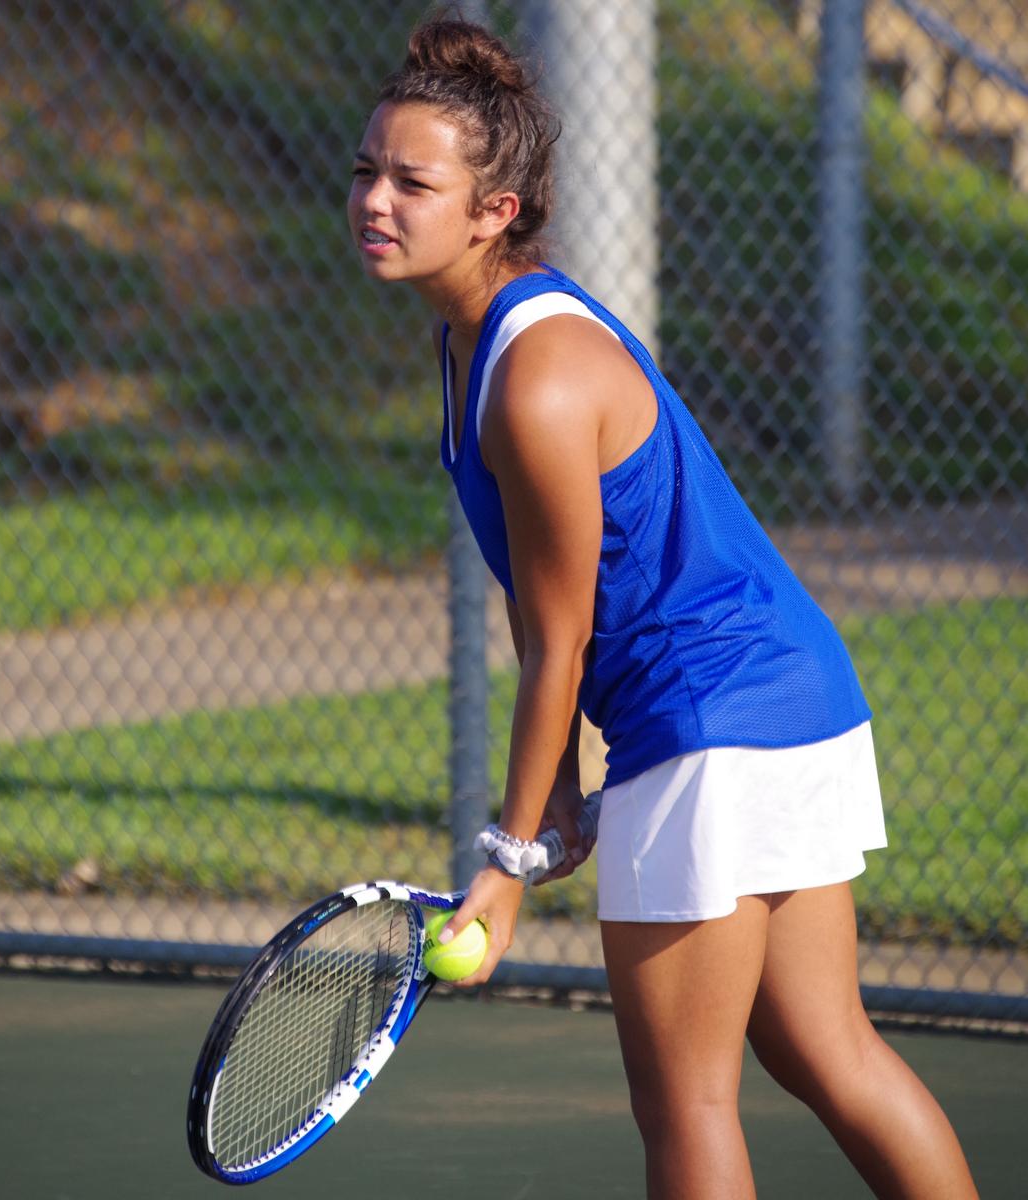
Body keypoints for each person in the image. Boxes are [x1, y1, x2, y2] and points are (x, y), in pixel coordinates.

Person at [347, 14, 978, 1199]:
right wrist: (562, 791)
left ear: (492, 211)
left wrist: (506, 861)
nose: (375, 199)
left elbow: (559, 640)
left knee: (685, 1105)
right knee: (821, 1048)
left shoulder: (532, 380)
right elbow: (547, 597)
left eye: (412, 183)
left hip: (704, 731)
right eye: (366, 169)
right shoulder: (475, 338)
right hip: (791, 691)